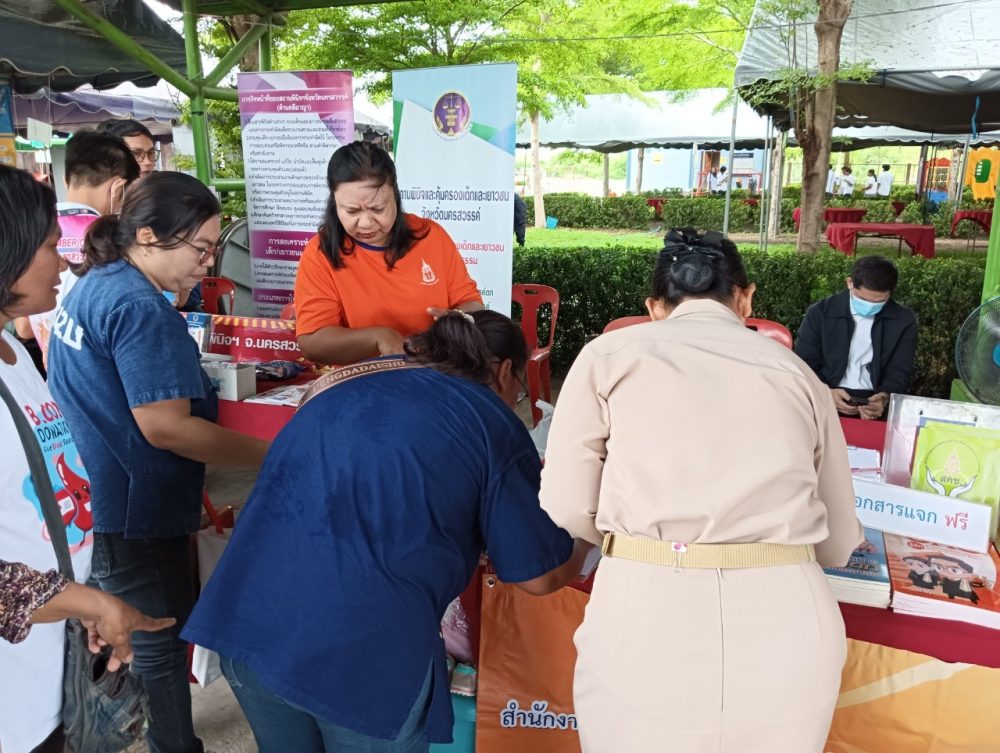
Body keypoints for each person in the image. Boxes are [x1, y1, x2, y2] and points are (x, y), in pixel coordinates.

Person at [183, 310, 587, 753]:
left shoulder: (342, 384)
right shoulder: (492, 422)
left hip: (247, 624)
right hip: (363, 661)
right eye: (519, 389)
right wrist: (588, 535)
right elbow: (539, 576)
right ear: (505, 370)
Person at [539, 227, 862, 753]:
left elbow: (567, 505)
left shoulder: (607, 356)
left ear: (654, 307)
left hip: (645, 604)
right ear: (745, 298)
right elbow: (839, 539)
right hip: (788, 617)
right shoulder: (797, 372)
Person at [47, 172, 271, 753]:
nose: (207, 263)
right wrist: (275, 454)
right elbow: (167, 427)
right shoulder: (139, 306)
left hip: (95, 495)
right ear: (148, 236)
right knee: (157, 641)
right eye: (200, 248)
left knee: (131, 632)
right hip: (134, 507)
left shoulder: (98, 282)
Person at [0, 165, 172, 753]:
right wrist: (90, 602)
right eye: (51, 246)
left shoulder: (13, 353)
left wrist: (76, 605)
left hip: (45, 669)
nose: (63, 262)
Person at [293, 141, 484, 365]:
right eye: (351, 211)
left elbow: (472, 304)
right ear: (334, 204)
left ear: (395, 194)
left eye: (378, 209)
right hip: (362, 378)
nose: (365, 223)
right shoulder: (321, 253)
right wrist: (377, 338)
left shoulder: (432, 237)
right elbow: (312, 343)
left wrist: (457, 321)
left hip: (436, 370)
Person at [18, 129, 140, 363]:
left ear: (66, 180)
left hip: (51, 372)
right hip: (98, 369)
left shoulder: (32, 229)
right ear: (118, 188)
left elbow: (24, 329)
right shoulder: (118, 239)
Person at [793, 255, 917, 421]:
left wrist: (883, 398)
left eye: (879, 302)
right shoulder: (821, 313)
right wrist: (825, 392)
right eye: (863, 300)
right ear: (850, 283)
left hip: (873, 397)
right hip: (825, 391)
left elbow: (899, 370)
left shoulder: (903, 320)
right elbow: (804, 364)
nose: (870, 307)